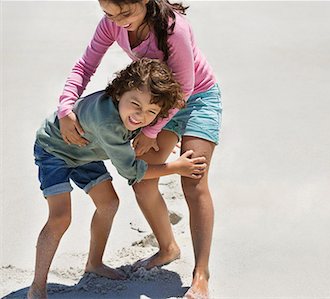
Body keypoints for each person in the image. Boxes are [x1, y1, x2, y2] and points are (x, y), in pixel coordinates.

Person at [58, 0, 222, 297]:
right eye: (109, 13)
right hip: (155, 105)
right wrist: (65, 106)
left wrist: (150, 131)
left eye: (125, 13)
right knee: (142, 183)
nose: (118, 21)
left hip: (197, 99)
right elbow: (85, 66)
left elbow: (185, 89)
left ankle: (201, 274)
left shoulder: (174, 28)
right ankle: (168, 247)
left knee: (194, 182)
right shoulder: (112, 22)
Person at [27, 58, 207, 299]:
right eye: (135, 105)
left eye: (151, 112)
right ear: (119, 92)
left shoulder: (124, 112)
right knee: (60, 218)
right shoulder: (108, 124)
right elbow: (131, 171)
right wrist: (175, 167)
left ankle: (94, 263)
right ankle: (37, 288)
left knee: (109, 204)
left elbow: (136, 129)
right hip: (55, 150)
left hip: (86, 152)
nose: (140, 116)